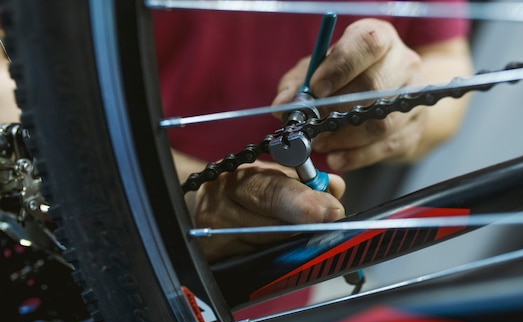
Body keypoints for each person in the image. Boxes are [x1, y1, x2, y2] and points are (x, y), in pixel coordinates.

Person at [152, 1, 473, 262]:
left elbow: (447, 57)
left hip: (281, 274)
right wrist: (172, 197)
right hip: (125, 228)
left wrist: (408, 111)